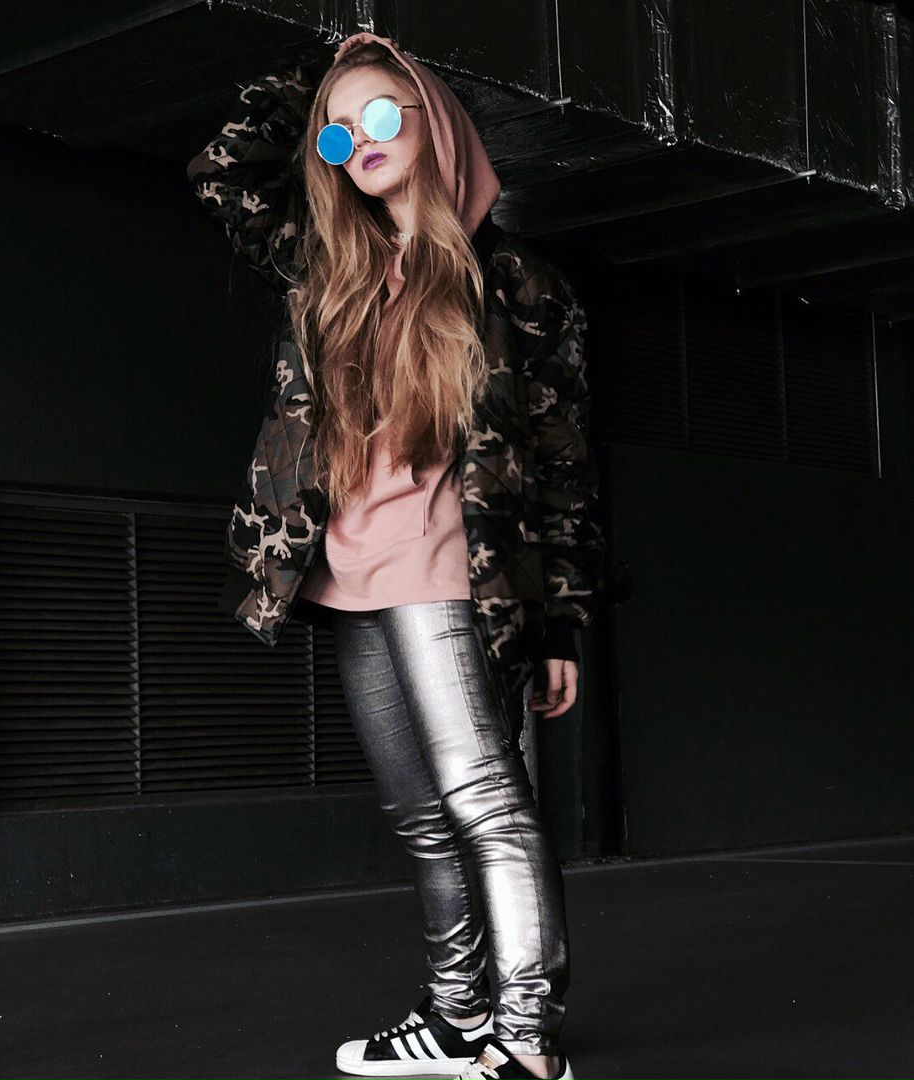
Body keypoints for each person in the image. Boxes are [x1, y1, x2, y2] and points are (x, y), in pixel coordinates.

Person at [187, 29, 606, 1080]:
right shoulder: (330, 266)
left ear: (436, 124)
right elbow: (224, 171)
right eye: (339, 133)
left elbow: (563, 463)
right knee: (420, 816)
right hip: (344, 567)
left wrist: (560, 622)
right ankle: (457, 1017)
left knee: (485, 801)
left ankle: (527, 1039)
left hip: (449, 566)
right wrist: (322, 85)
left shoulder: (517, 283)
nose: (358, 141)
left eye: (381, 115)